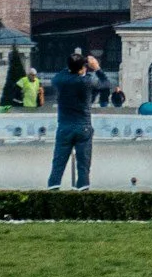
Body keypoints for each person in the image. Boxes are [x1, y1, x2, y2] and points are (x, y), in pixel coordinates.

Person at [45, 49, 112, 190]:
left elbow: (63, 73)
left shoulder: (60, 81)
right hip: (83, 126)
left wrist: (74, 63)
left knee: (58, 164)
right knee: (83, 166)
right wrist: (97, 67)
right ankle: (82, 193)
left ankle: (52, 192)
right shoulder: (88, 82)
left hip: (64, 126)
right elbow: (106, 84)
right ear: (83, 68)